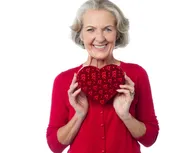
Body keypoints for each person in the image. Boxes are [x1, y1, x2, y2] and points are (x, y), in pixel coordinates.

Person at [46, 0, 159, 153]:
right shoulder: (63, 80)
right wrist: (79, 115)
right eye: (90, 29)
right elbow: (55, 145)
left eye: (107, 29)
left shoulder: (136, 74)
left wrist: (125, 115)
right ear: (81, 34)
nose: (100, 38)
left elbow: (150, 139)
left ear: (117, 32)